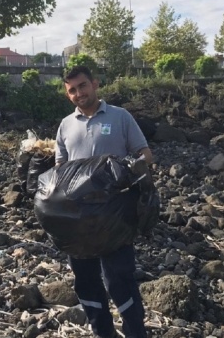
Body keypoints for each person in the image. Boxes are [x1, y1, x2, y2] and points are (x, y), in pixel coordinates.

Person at [55, 65, 153, 338]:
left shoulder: (120, 117)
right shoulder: (65, 125)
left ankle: (135, 333)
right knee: (85, 280)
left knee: (119, 277)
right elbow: (60, 169)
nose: (78, 93)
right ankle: (103, 333)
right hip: (77, 219)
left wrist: (127, 169)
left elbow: (145, 154)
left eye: (82, 86)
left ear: (95, 84)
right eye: (72, 90)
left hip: (115, 215)